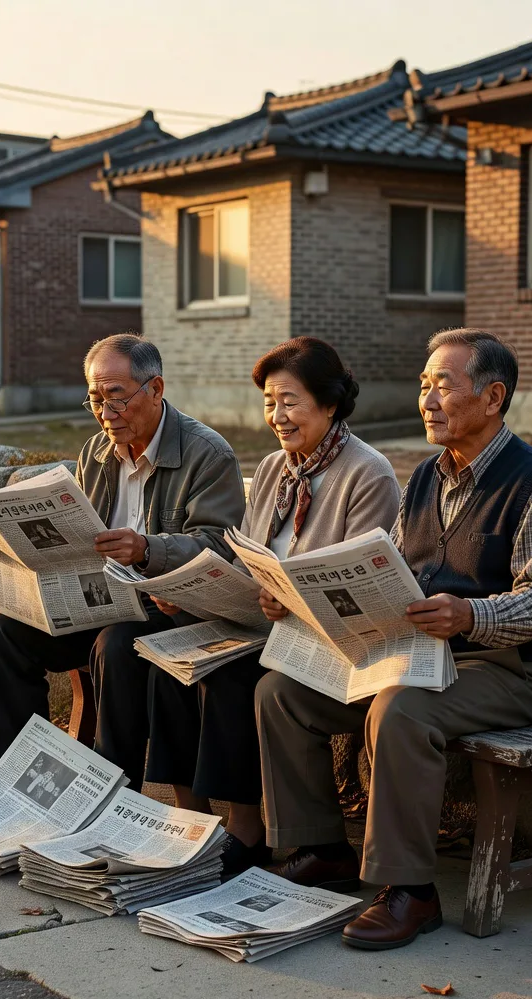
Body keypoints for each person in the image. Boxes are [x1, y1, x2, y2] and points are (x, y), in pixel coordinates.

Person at [256, 328, 532, 950]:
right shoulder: (429, 477)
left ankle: (410, 891)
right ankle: (322, 849)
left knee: (401, 709)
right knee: (282, 692)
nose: (428, 401)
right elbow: (397, 567)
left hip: (504, 668)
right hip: (417, 653)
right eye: (423, 386)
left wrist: (470, 616)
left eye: (444, 386)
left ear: (493, 397)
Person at [144, 337, 400, 876]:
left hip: (328, 643)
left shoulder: (367, 473)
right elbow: (250, 559)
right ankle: (192, 817)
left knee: (234, 677)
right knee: (169, 659)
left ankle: (246, 828)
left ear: (330, 404)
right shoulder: (272, 470)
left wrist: (289, 600)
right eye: (268, 402)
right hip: (264, 623)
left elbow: (360, 590)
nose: (277, 416)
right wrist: (192, 589)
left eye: (289, 401)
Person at [0, 334, 246, 784]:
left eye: (115, 398)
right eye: (95, 400)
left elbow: (219, 544)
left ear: (155, 389)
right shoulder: (96, 452)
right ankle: (16, 776)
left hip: (170, 610)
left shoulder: (206, 453)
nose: (104, 413)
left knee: (117, 645)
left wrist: (147, 549)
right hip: (98, 602)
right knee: (2, 631)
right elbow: (72, 535)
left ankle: (112, 788)